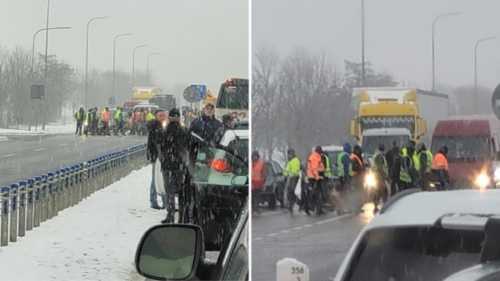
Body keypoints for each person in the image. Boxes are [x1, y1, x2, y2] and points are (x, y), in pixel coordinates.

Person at [158, 108, 190, 223]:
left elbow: (160, 147)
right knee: (181, 191)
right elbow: (187, 147)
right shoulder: (184, 131)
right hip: (179, 166)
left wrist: (163, 159)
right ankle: (181, 215)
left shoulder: (164, 131)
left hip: (168, 166)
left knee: (169, 191)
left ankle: (170, 214)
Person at [146, 110, 167, 209]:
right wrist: (153, 155)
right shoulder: (155, 127)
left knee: (162, 179)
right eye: (160, 115)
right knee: (156, 179)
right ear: (156, 116)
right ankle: (154, 201)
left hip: (163, 156)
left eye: (163, 115)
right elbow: (152, 143)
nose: (162, 117)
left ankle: (164, 201)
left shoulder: (163, 126)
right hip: (157, 157)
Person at [307, 146, 325, 216]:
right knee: (316, 194)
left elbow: (319, 167)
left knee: (317, 193)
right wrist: (317, 177)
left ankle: (318, 208)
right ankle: (313, 208)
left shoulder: (316, 156)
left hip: (314, 177)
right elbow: (314, 168)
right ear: (319, 151)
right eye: (320, 152)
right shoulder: (315, 157)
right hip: (314, 178)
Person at [372, 144, 389, 212]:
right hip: (379, 176)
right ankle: (381, 206)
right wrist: (385, 176)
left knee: (380, 191)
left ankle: (378, 206)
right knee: (382, 191)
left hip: (377, 175)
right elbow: (380, 168)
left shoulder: (376, 155)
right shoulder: (379, 156)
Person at [336, 143, 352, 214]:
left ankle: (339, 208)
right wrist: (347, 178)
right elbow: (346, 167)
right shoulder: (346, 156)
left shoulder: (340, 155)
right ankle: (345, 208)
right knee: (346, 193)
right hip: (345, 177)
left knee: (341, 193)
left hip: (340, 176)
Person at [284, 148, 301, 214]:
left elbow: (295, 170)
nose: (289, 156)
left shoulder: (295, 160)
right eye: (288, 154)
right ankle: (291, 204)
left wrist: (289, 174)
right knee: (290, 192)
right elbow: (287, 170)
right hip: (290, 178)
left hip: (294, 178)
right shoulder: (290, 161)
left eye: (290, 154)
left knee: (293, 191)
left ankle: (295, 203)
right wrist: (285, 175)